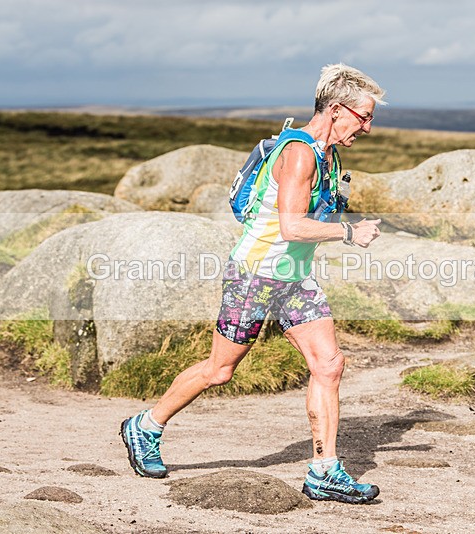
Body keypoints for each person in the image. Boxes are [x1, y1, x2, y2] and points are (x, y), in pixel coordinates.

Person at [120, 63, 386, 504]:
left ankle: (324, 470)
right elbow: (290, 227)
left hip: (294, 279)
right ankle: (145, 425)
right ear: (337, 110)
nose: (369, 128)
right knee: (219, 371)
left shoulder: (327, 154)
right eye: (364, 117)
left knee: (329, 364)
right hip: (255, 277)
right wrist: (348, 233)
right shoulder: (299, 153)